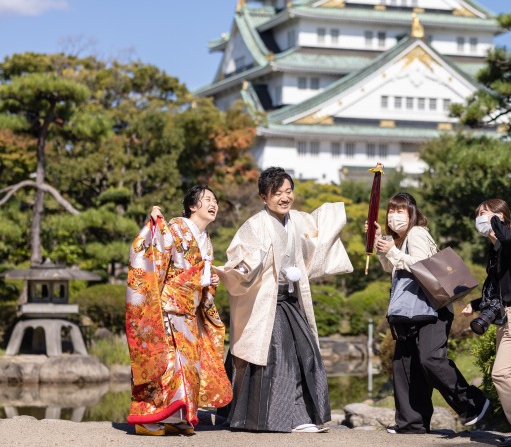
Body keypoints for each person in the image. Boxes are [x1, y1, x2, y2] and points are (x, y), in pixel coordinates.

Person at [215, 167, 353, 433]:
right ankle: (291, 418)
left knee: (307, 351)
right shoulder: (255, 225)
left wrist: (350, 221)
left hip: (290, 298)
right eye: (277, 193)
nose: (285, 197)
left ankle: (301, 416)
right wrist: (258, 266)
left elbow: (320, 235)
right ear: (263, 197)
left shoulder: (299, 221)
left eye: (288, 191)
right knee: (280, 354)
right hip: (264, 301)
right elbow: (243, 260)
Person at [373, 192, 489, 434]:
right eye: (391, 211)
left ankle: (473, 403)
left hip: (431, 310)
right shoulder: (401, 239)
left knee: (430, 360)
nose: (394, 216)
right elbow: (391, 267)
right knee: (405, 366)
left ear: (411, 213)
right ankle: (411, 423)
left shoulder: (416, 233)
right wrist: (381, 245)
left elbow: (421, 265)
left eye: (400, 211)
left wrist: (392, 251)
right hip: (409, 312)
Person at [126, 185, 232, 436]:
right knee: (168, 364)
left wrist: (210, 284)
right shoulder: (175, 228)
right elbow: (154, 251)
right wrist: (154, 223)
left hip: (190, 310)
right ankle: (149, 418)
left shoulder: (206, 240)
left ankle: (178, 415)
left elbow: (201, 276)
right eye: (207, 199)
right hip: (168, 306)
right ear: (193, 206)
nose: (213, 204)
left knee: (189, 365)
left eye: (215, 200)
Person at [462, 198, 511, 446]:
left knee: (502, 374)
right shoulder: (497, 251)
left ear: (501, 218)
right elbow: (498, 289)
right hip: (508, 317)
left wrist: (496, 219)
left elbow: (506, 238)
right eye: (479, 215)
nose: (481, 220)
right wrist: (476, 304)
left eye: (485, 215)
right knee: (508, 375)